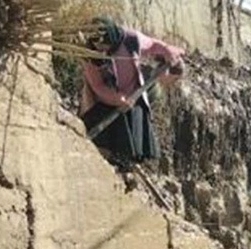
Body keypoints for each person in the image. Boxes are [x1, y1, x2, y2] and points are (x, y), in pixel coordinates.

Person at [79, 17, 186, 167]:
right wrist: (116, 98)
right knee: (104, 134)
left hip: (133, 94)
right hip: (104, 100)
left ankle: (129, 164)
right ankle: (104, 159)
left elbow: (152, 45)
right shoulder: (90, 54)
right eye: (99, 47)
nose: (103, 51)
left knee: (134, 134)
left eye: (105, 46)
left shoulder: (131, 39)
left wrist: (167, 50)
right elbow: (98, 85)